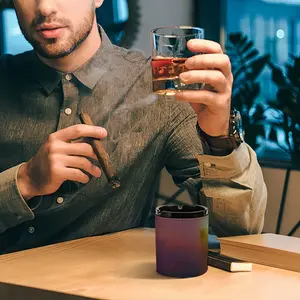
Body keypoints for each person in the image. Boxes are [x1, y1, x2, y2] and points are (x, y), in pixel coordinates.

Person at [0, 0, 267, 254]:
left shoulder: (160, 87)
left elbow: (239, 231)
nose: (45, 7)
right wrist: (25, 181)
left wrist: (220, 136)